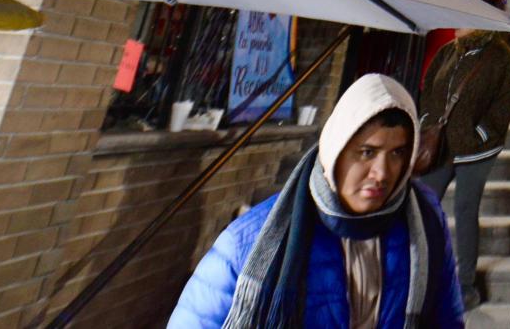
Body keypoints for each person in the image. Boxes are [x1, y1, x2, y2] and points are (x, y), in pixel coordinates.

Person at [170, 73, 465, 328]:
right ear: (335, 150)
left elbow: (446, 319)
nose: (382, 173)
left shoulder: (424, 222)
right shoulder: (249, 241)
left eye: (397, 153)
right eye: (367, 152)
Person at [419, 30, 510, 310]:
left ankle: (465, 283)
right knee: (423, 204)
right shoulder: (448, 52)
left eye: (464, 23)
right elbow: (429, 87)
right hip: (441, 144)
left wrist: (482, 131)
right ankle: (419, 271)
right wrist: (428, 119)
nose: (457, 28)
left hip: (478, 148)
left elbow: (509, 99)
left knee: (465, 209)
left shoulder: (500, 56)